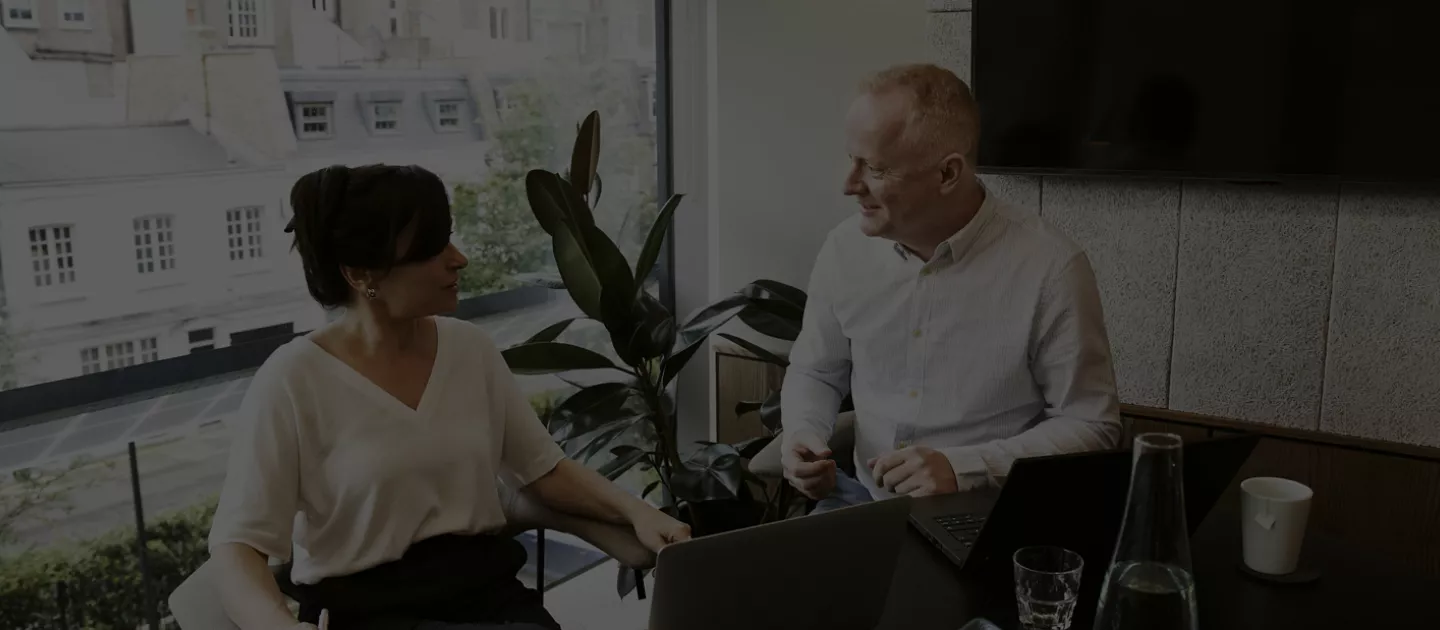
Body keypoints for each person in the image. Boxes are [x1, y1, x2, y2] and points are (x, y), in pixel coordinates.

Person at [207, 164, 689, 630]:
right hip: (369, 613)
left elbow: (544, 471)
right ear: (362, 274)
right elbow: (237, 546)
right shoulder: (293, 379)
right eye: (432, 249)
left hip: (488, 594)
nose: (458, 258)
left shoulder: (470, 349)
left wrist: (641, 513)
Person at [779, 64, 1122, 512]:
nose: (848, 185)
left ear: (947, 174)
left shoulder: (1051, 267)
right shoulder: (843, 249)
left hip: (990, 513)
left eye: (875, 168)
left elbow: (1091, 424)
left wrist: (965, 467)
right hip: (861, 503)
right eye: (851, 159)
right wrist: (803, 432)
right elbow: (817, 370)